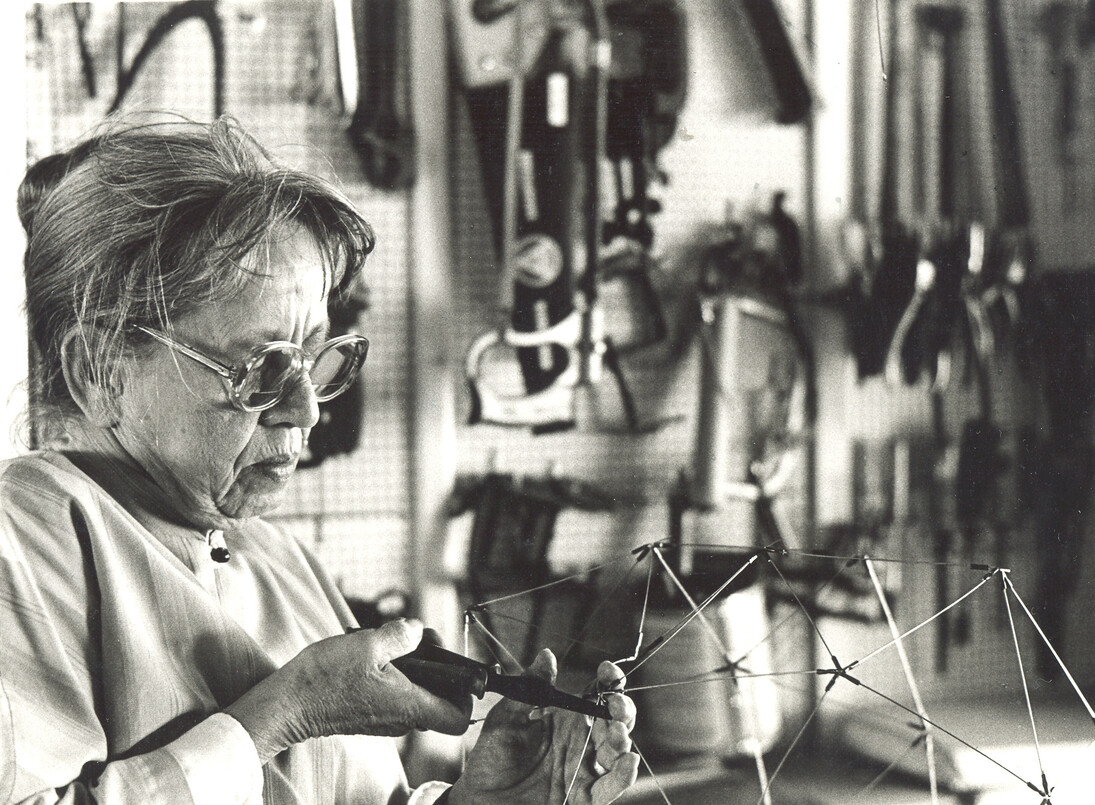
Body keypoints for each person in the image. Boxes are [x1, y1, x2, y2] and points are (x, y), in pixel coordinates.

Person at [0, 116, 639, 805]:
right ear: (101, 369)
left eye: (313, 357)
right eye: (262, 366)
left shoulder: (279, 560)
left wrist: (479, 803)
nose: (304, 410)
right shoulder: (26, 542)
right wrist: (284, 712)